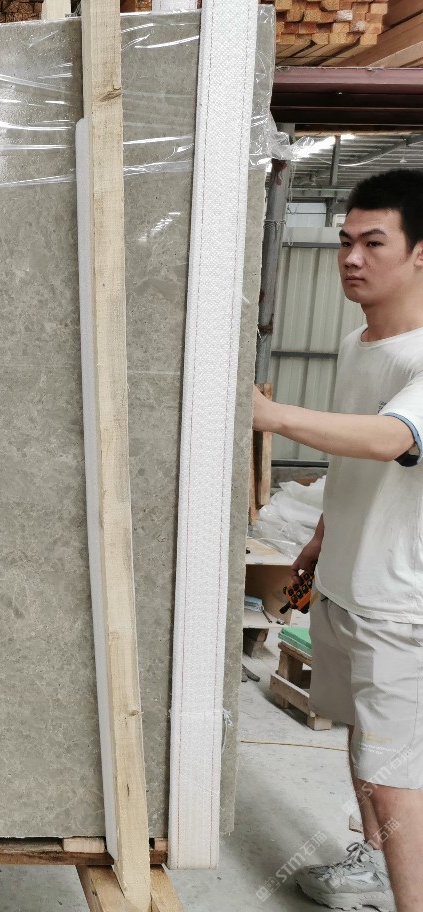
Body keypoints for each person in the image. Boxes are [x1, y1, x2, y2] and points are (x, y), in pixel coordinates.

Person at [254, 169, 423, 912]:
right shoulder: (358, 341)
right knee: (362, 742)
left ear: (420, 253)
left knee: (395, 772)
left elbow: (391, 438)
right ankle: (375, 864)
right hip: (344, 585)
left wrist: (271, 416)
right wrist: (322, 535)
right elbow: (354, 459)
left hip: (399, 606)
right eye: (345, 241)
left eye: (374, 243)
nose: (352, 258)